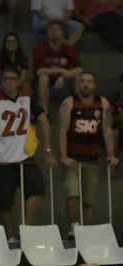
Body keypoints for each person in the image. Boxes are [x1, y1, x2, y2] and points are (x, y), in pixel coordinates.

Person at [0, 66, 56, 241]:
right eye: (6, 78)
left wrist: (48, 149)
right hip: (2, 159)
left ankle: (25, 228)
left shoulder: (27, 98)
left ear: (19, 80)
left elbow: (43, 120)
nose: (10, 82)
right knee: (5, 202)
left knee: (37, 190)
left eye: (13, 78)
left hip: (24, 156)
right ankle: (11, 237)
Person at [58, 73, 118, 239]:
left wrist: (111, 155)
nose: (86, 84)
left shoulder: (102, 103)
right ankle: (75, 227)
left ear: (94, 85)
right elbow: (63, 131)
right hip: (73, 158)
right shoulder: (69, 102)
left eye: (89, 82)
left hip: (92, 159)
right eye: (82, 81)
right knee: (73, 193)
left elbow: (107, 131)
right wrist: (63, 156)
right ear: (78, 85)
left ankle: (87, 231)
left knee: (88, 199)